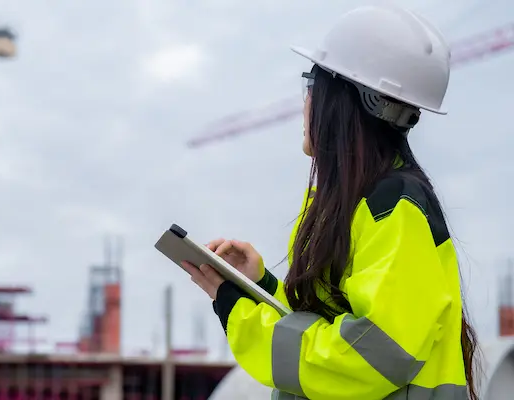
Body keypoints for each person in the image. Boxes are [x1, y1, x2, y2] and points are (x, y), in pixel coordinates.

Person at [181, 5, 479, 400]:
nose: (306, 104)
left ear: (343, 102)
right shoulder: (355, 207)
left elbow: (370, 356)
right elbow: (327, 324)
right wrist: (261, 287)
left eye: (312, 86)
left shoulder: (393, 208)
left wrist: (244, 317)